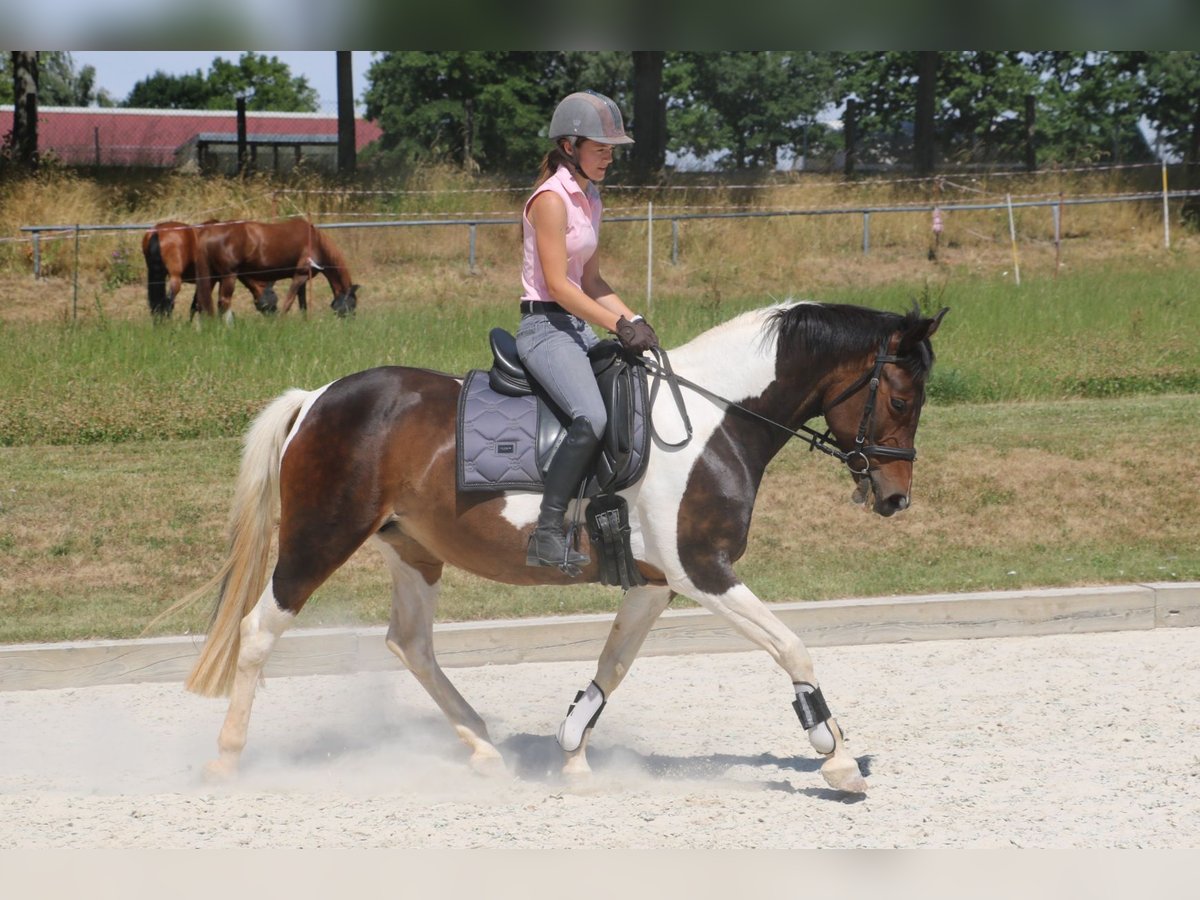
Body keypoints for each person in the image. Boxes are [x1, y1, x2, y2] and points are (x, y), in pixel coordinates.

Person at [517, 90, 660, 574]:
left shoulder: (591, 198)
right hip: (544, 328)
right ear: (569, 146)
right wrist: (616, 324)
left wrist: (635, 321)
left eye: (612, 149)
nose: (609, 157)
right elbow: (559, 285)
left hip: (577, 325)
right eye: (601, 148)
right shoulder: (550, 201)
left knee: (633, 397)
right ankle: (546, 532)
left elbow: (592, 281)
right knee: (592, 417)